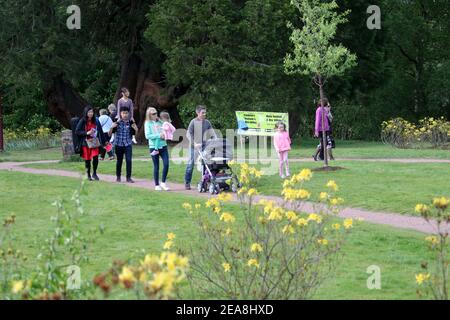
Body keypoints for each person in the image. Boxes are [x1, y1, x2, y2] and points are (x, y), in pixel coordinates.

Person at [184, 105, 216, 190]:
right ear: (197, 113)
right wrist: (194, 143)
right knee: (190, 165)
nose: (204, 114)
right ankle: (187, 182)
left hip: (204, 146)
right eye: (203, 112)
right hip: (193, 147)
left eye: (205, 112)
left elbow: (212, 133)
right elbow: (188, 134)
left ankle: (204, 182)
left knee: (206, 164)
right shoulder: (193, 122)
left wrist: (216, 140)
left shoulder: (207, 122)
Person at [75, 106, 106, 181]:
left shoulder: (96, 120)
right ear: (86, 113)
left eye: (92, 112)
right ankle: (88, 174)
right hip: (86, 143)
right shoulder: (82, 120)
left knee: (95, 157)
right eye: (89, 112)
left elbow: (100, 131)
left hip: (94, 142)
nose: (91, 113)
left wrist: (105, 141)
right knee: (87, 159)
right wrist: (86, 133)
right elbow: (77, 131)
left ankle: (94, 173)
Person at [109, 108, 138, 183]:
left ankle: (128, 178)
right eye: (123, 113)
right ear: (120, 114)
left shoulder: (131, 122)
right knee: (119, 161)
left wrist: (136, 130)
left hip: (128, 144)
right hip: (118, 144)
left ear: (129, 114)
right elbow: (109, 134)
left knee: (129, 160)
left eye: (126, 113)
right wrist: (111, 127)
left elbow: (134, 134)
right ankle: (118, 177)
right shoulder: (117, 122)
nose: (125, 115)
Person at [145, 107, 170, 191]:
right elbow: (148, 136)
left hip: (163, 145)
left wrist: (164, 135)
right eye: (153, 114)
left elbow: (166, 130)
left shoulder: (160, 122)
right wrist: (159, 135)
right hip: (153, 147)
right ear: (149, 115)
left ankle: (163, 182)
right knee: (156, 166)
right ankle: (157, 184)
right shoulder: (147, 123)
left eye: (156, 113)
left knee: (166, 164)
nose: (155, 115)